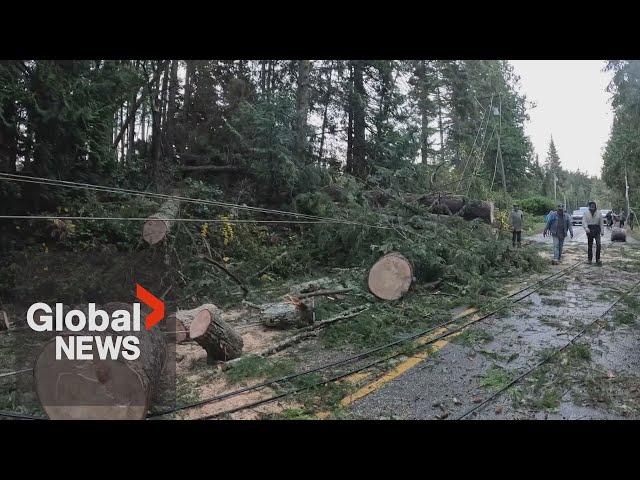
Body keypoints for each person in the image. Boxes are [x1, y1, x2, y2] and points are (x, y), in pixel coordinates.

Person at [582, 200, 604, 266]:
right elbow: (584, 221)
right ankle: (589, 259)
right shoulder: (586, 213)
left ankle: (598, 259)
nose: (592, 209)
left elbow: (601, 223)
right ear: (589, 207)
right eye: (591, 207)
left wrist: (602, 231)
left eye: (593, 207)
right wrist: (586, 228)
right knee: (590, 245)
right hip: (589, 229)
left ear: (595, 207)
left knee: (598, 245)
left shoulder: (599, 213)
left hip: (597, 229)